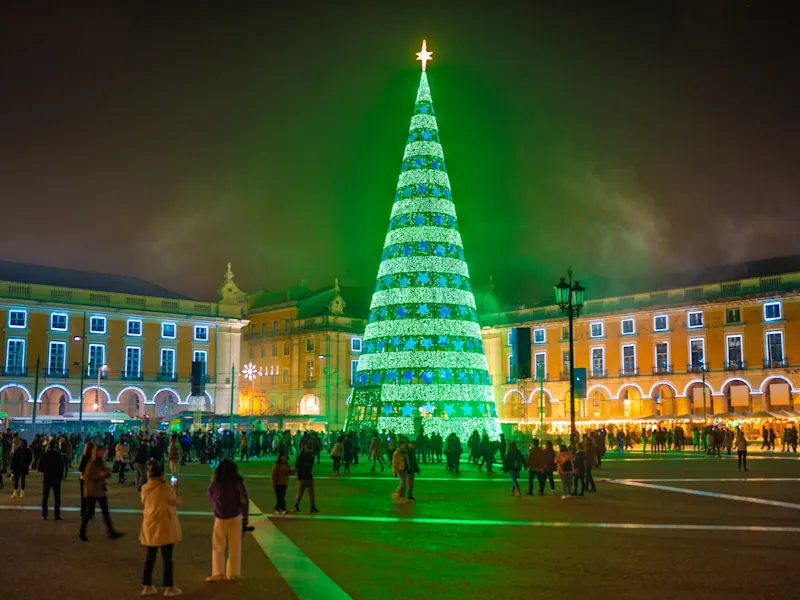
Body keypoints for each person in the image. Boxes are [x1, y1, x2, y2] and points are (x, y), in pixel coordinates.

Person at [140, 460, 183, 597]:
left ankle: (147, 586)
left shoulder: (145, 487)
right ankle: (168, 587)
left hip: (149, 525)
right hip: (164, 526)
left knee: (150, 557)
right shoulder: (165, 488)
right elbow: (176, 502)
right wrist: (175, 488)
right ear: (162, 474)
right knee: (167, 557)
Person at [207, 460, 249, 582]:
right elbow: (244, 500)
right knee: (235, 546)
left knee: (218, 546)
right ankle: (234, 572)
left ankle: (218, 572)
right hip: (235, 515)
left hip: (220, 516)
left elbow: (210, 495)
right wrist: (245, 517)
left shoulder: (217, 483)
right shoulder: (238, 482)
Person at [79, 445, 124, 541]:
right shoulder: (92, 463)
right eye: (102, 452)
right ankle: (82, 532)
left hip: (100, 490)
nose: (104, 453)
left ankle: (111, 532)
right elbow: (87, 477)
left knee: (105, 512)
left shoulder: (100, 462)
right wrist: (100, 474)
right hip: (92, 491)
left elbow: (103, 474)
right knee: (89, 513)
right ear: (97, 452)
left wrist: (107, 473)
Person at [38, 440, 65, 520]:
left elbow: (40, 468)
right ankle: (57, 514)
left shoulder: (45, 455)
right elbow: (62, 467)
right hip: (56, 478)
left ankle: (44, 514)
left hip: (47, 477)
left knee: (45, 497)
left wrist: (46, 471)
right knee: (57, 498)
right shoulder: (58, 455)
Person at [294, 444, 319, 514]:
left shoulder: (309, 456)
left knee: (310, 493)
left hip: (307, 476)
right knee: (302, 493)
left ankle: (312, 506)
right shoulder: (302, 457)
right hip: (303, 476)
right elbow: (297, 467)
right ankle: (297, 505)